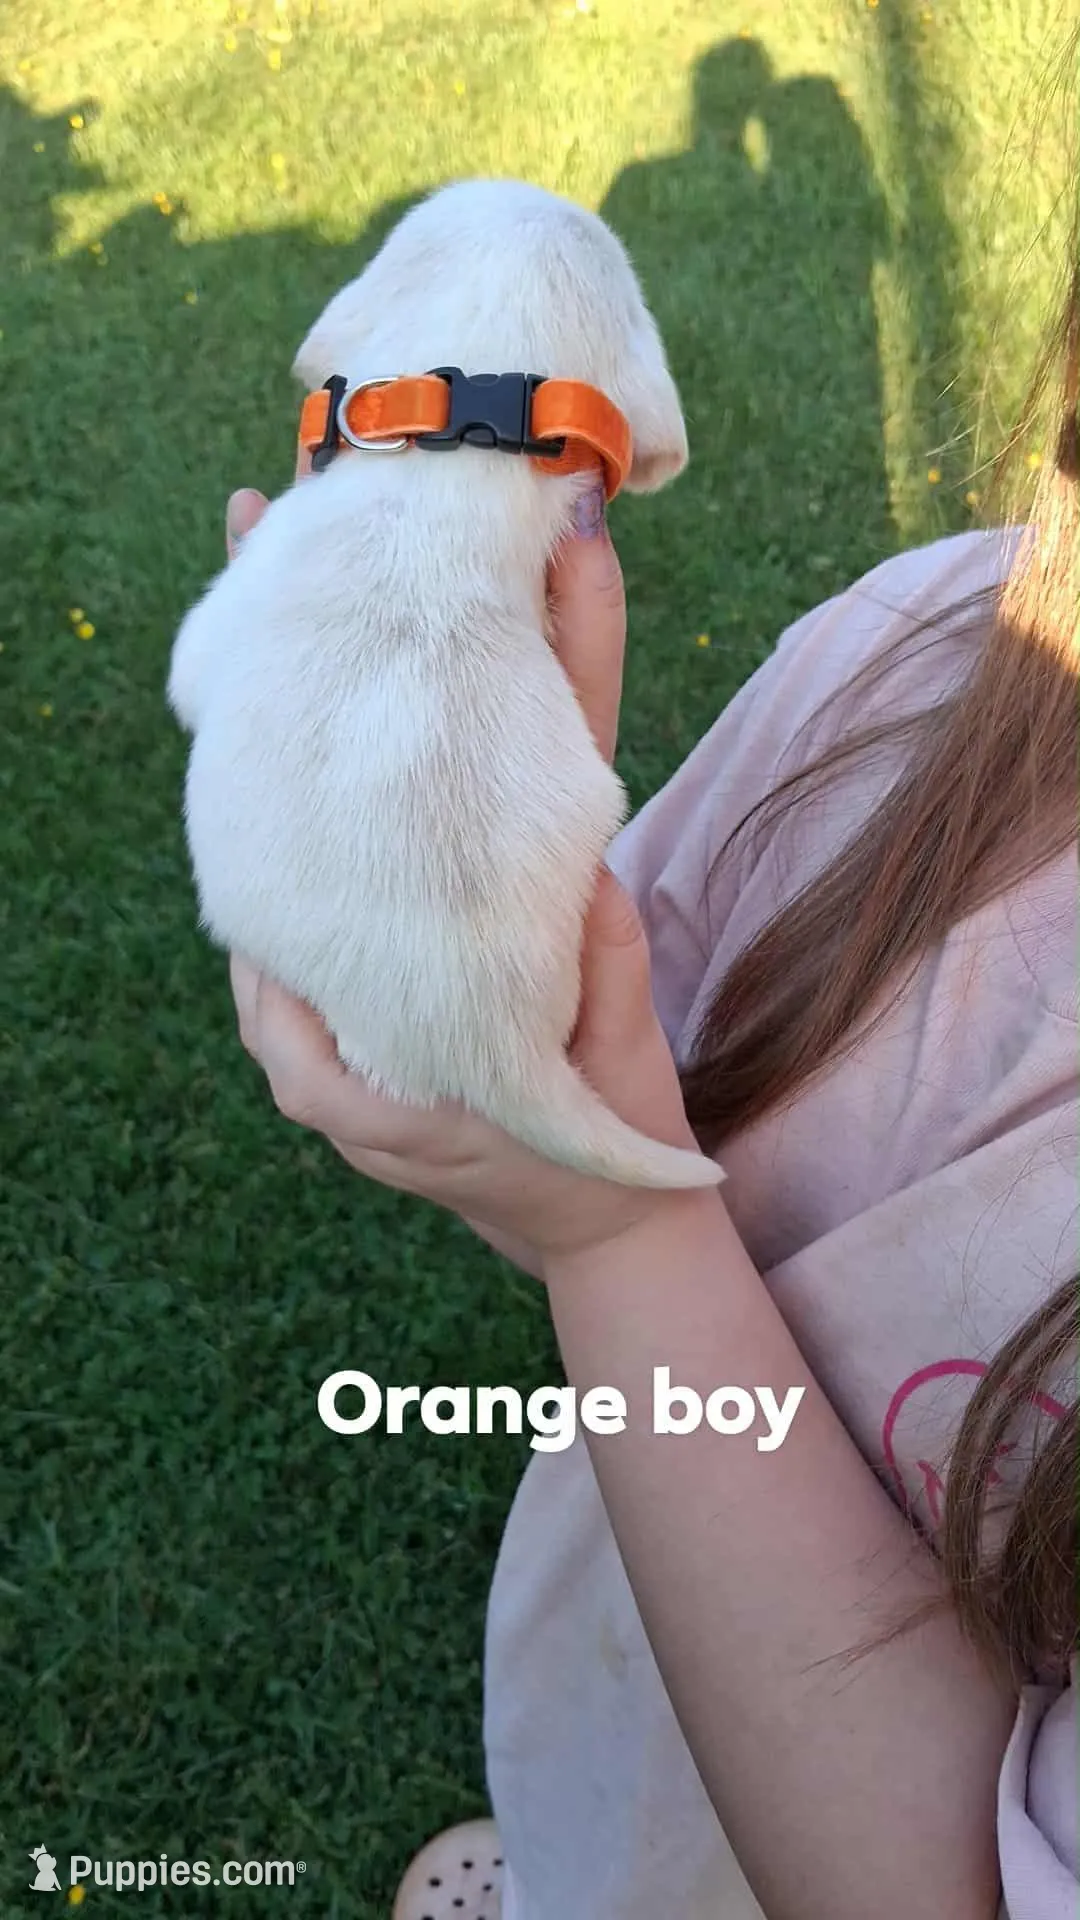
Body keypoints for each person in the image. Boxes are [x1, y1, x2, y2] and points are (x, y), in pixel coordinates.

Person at [222, 239, 1078, 1918]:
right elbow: (631, 1111)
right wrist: (501, 1025)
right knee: (599, 1829)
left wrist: (620, 1233)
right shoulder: (927, 648)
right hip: (638, 1636)